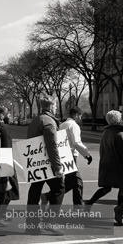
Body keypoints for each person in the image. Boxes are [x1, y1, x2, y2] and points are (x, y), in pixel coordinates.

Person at [25, 94, 65, 235]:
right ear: (51, 106)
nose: (56, 107)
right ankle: (50, 222)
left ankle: (31, 225)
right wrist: (57, 167)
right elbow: (52, 146)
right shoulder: (49, 122)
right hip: (46, 163)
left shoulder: (36, 120)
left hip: (36, 163)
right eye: (55, 105)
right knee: (59, 189)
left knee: (34, 192)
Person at [41, 106, 92, 209]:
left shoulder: (62, 124)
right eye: (80, 116)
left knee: (74, 181)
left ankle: (77, 205)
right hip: (71, 156)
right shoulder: (73, 125)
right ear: (76, 115)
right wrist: (87, 154)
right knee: (75, 181)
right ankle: (50, 197)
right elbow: (76, 142)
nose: (80, 118)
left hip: (62, 155)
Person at [86, 110, 123, 225]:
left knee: (106, 188)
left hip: (107, 164)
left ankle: (89, 203)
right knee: (122, 189)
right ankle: (119, 210)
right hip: (118, 166)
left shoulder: (106, 132)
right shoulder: (119, 134)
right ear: (118, 119)